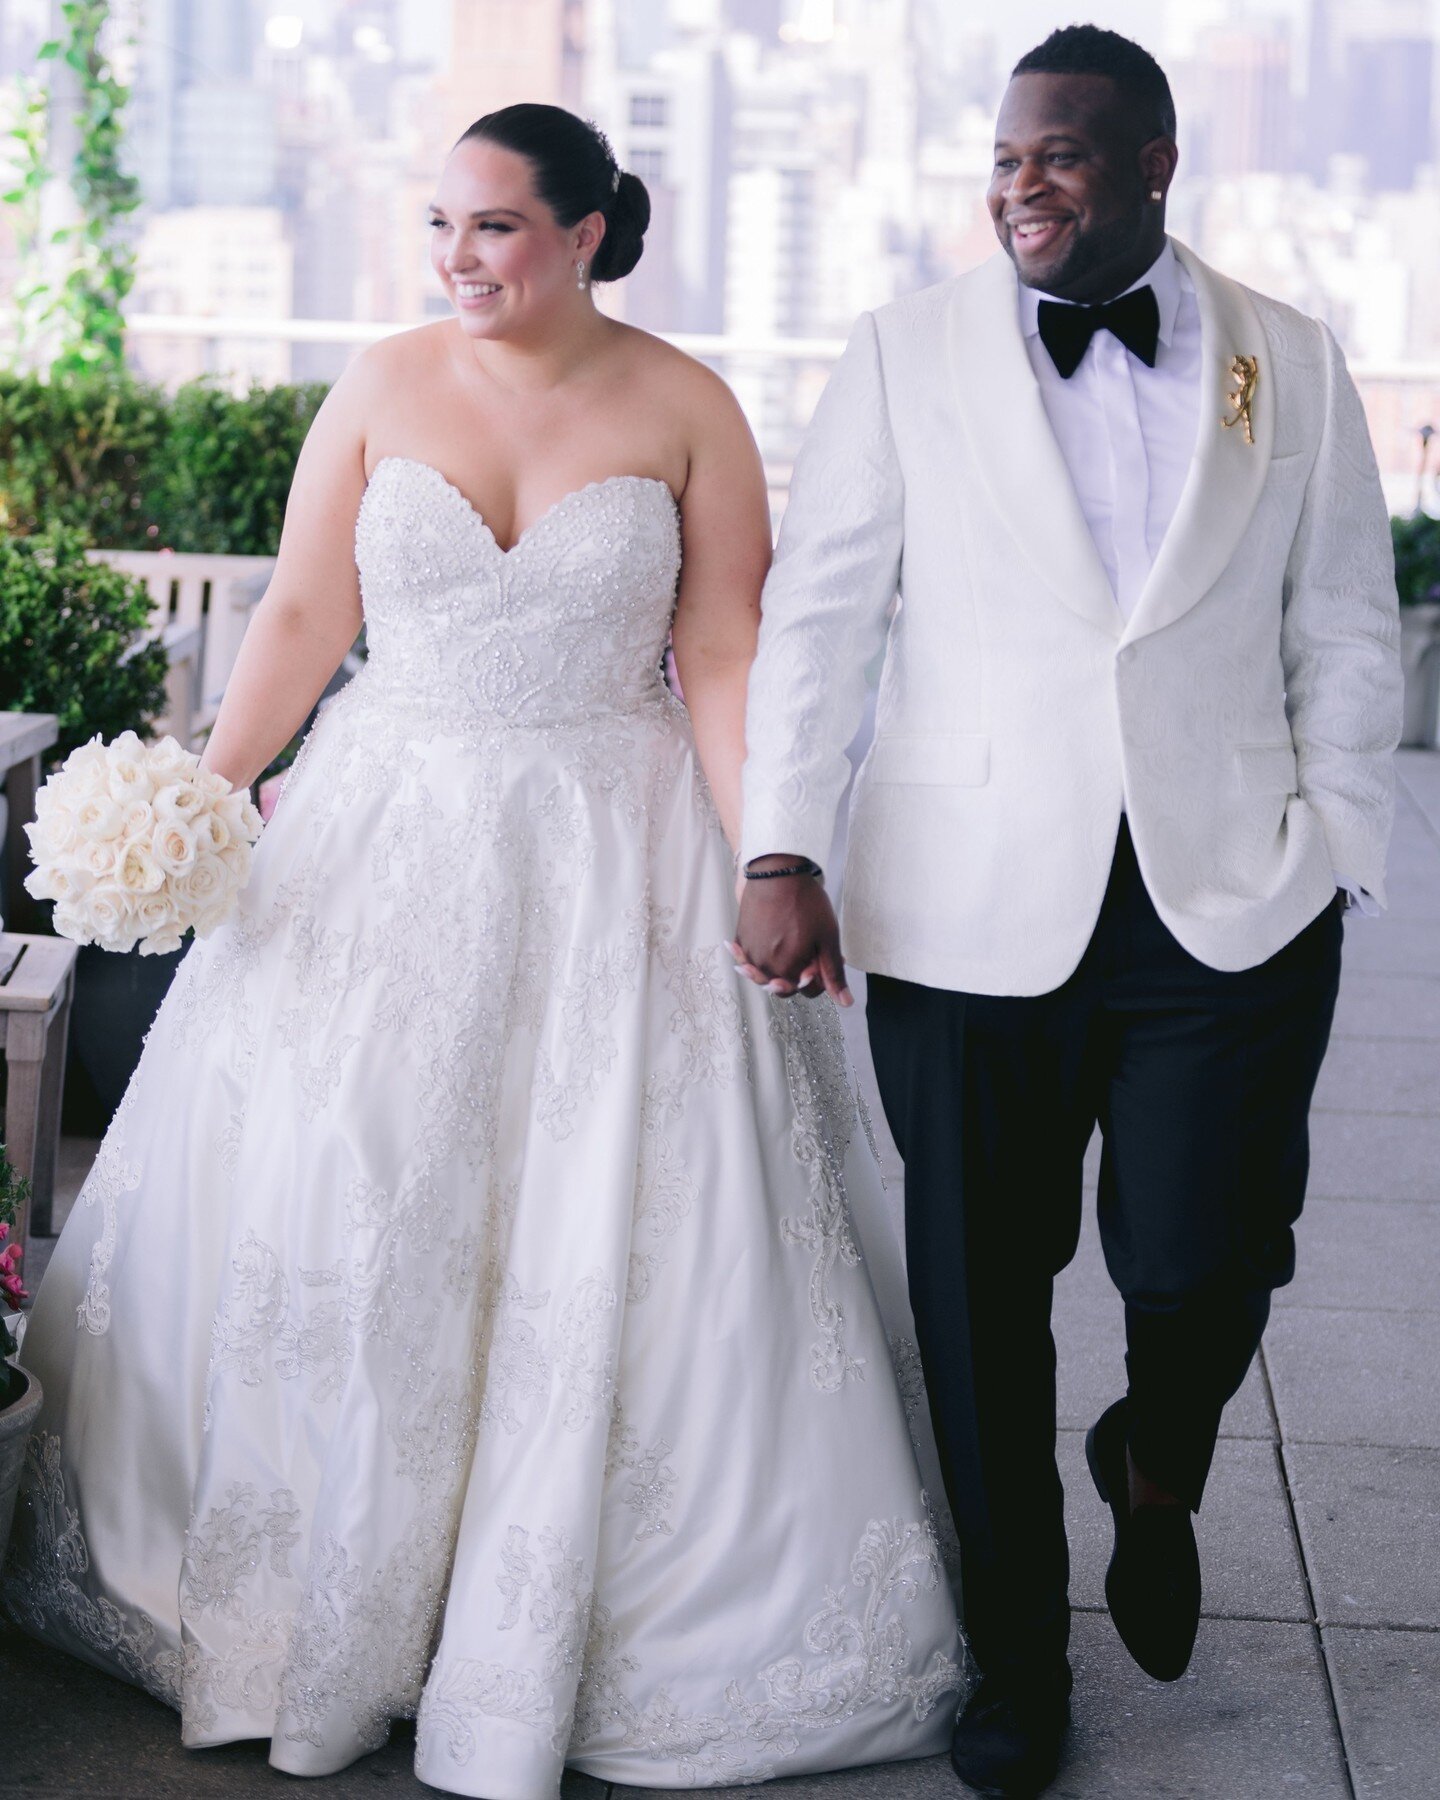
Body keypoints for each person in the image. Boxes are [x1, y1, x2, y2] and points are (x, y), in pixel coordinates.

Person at [2, 105, 962, 1798]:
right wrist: (197, 804)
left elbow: (725, 656)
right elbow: (304, 614)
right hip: (389, 830)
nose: (457, 258)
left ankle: (550, 1624)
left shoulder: (688, 405)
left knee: (609, 1214)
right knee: (358, 1189)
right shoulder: (377, 384)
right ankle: (310, 1605)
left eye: (497, 228)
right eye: (441, 223)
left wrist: (773, 859)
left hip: (617, 846)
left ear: (592, 232)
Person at [733, 26, 1402, 1800]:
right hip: (966, 902)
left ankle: (1156, 1454)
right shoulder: (904, 357)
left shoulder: (1295, 359)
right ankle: (1018, 1659)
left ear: (1158, 163)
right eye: (1009, 155)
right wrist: (781, 843)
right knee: (980, 1295)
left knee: (1209, 1260)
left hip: (1229, 900)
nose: (1023, 182)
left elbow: (1346, 619)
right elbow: (821, 620)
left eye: (1065, 155)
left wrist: (1339, 834)